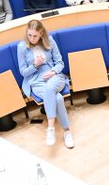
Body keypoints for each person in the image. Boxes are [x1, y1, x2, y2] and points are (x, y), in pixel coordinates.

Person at [18, 19, 75, 147]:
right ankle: (67, 132)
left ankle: (50, 128)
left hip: (55, 77)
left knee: (50, 88)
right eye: (29, 35)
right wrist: (35, 65)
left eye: (35, 36)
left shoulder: (50, 41)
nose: (32, 38)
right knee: (58, 99)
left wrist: (54, 71)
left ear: (41, 34)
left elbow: (60, 63)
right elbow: (23, 72)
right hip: (36, 81)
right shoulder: (21, 47)